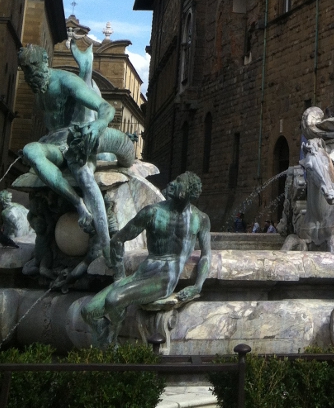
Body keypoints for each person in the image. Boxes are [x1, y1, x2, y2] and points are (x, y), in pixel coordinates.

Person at [17, 44, 122, 267]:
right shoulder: (39, 91)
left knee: (84, 177)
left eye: (33, 66)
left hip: (76, 139)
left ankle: (105, 247)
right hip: (54, 143)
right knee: (30, 150)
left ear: (45, 61)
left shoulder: (65, 81)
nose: (29, 73)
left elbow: (105, 107)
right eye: (25, 69)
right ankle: (78, 204)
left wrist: (99, 126)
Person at [81, 172, 211, 346]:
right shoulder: (152, 212)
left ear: (187, 191)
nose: (171, 182)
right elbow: (118, 239)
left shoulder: (200, 219)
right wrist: (119, 275)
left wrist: (197, 286)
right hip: (142, 274)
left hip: (165, 279)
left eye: (178, 181)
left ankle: (112, 346)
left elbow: (206, 255)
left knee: (114, 299)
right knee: (88, 311)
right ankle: (110, 345)